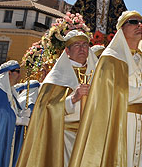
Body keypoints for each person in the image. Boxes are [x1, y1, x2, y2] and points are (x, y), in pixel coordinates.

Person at [68, 11, 142, 167]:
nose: (139, 25)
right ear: (121, 29)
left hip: (140, 123)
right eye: (133, 22)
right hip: (116, 124)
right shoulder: (110, 58)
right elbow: (115, 93)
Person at [16, 30, 98, 167]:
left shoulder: (97, 73)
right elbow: (45, 109)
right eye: (77, 45)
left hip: (92, 135)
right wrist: (73, 99)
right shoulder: (56, 77)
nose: (82, 48)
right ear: (67, 51)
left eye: (85, 45)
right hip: (64, 136)